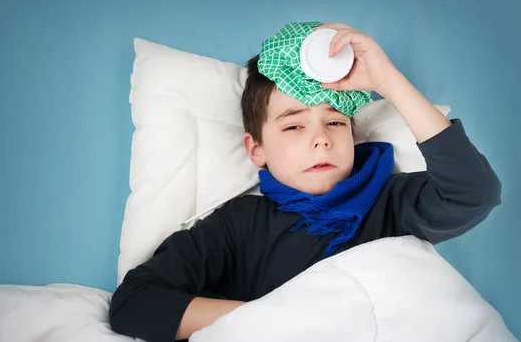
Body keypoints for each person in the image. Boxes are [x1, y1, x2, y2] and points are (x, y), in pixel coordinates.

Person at [108, 23, 501, 342]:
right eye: (294, 125)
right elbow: (135, 304)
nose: (320, 138)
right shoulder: (238, 225)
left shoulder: (390, 203)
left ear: (352, 134)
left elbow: (473, 194)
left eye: (334, 122)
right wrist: (276, 319)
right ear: (256, 149)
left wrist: (388, 82)